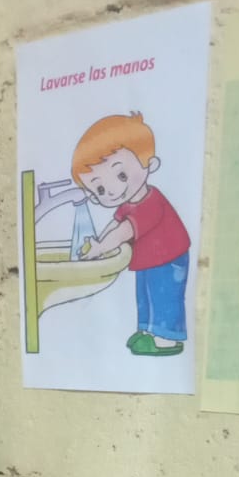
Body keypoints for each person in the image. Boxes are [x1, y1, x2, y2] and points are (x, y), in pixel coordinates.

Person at [72, 112, 190, 356]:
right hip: (150, 259)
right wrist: (98, 242)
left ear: (151, 165)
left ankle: (167, 339)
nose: (111, 190)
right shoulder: (128, 204)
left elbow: (123, 231)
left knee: (164, 297)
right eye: (99, 188)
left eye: (121, 175)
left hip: (169, 259)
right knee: (145, 295)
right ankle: (147, 331)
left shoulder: (150, 202)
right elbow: (114, 224)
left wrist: (101, 248)